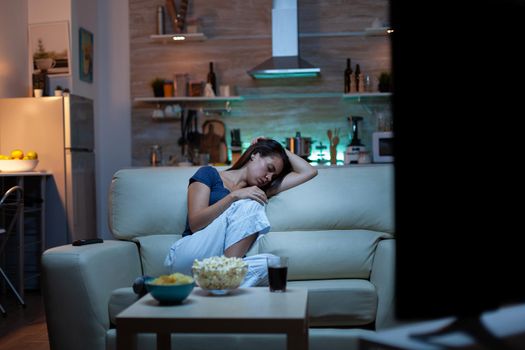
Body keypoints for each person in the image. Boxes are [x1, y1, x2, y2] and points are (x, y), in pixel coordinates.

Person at [164, 137, 318, 286]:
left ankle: (215, 283)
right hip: (191, 253)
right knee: (251, 202)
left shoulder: (257, 190)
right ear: (254, 155)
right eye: (269, 168)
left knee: (272, 264)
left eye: (274, 176)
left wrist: (279, 147)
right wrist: (233, 196)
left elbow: (309, 171)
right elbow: (196, 223)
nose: (269, 177)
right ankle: (227, 275)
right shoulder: (209, 174)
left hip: (212, 265)